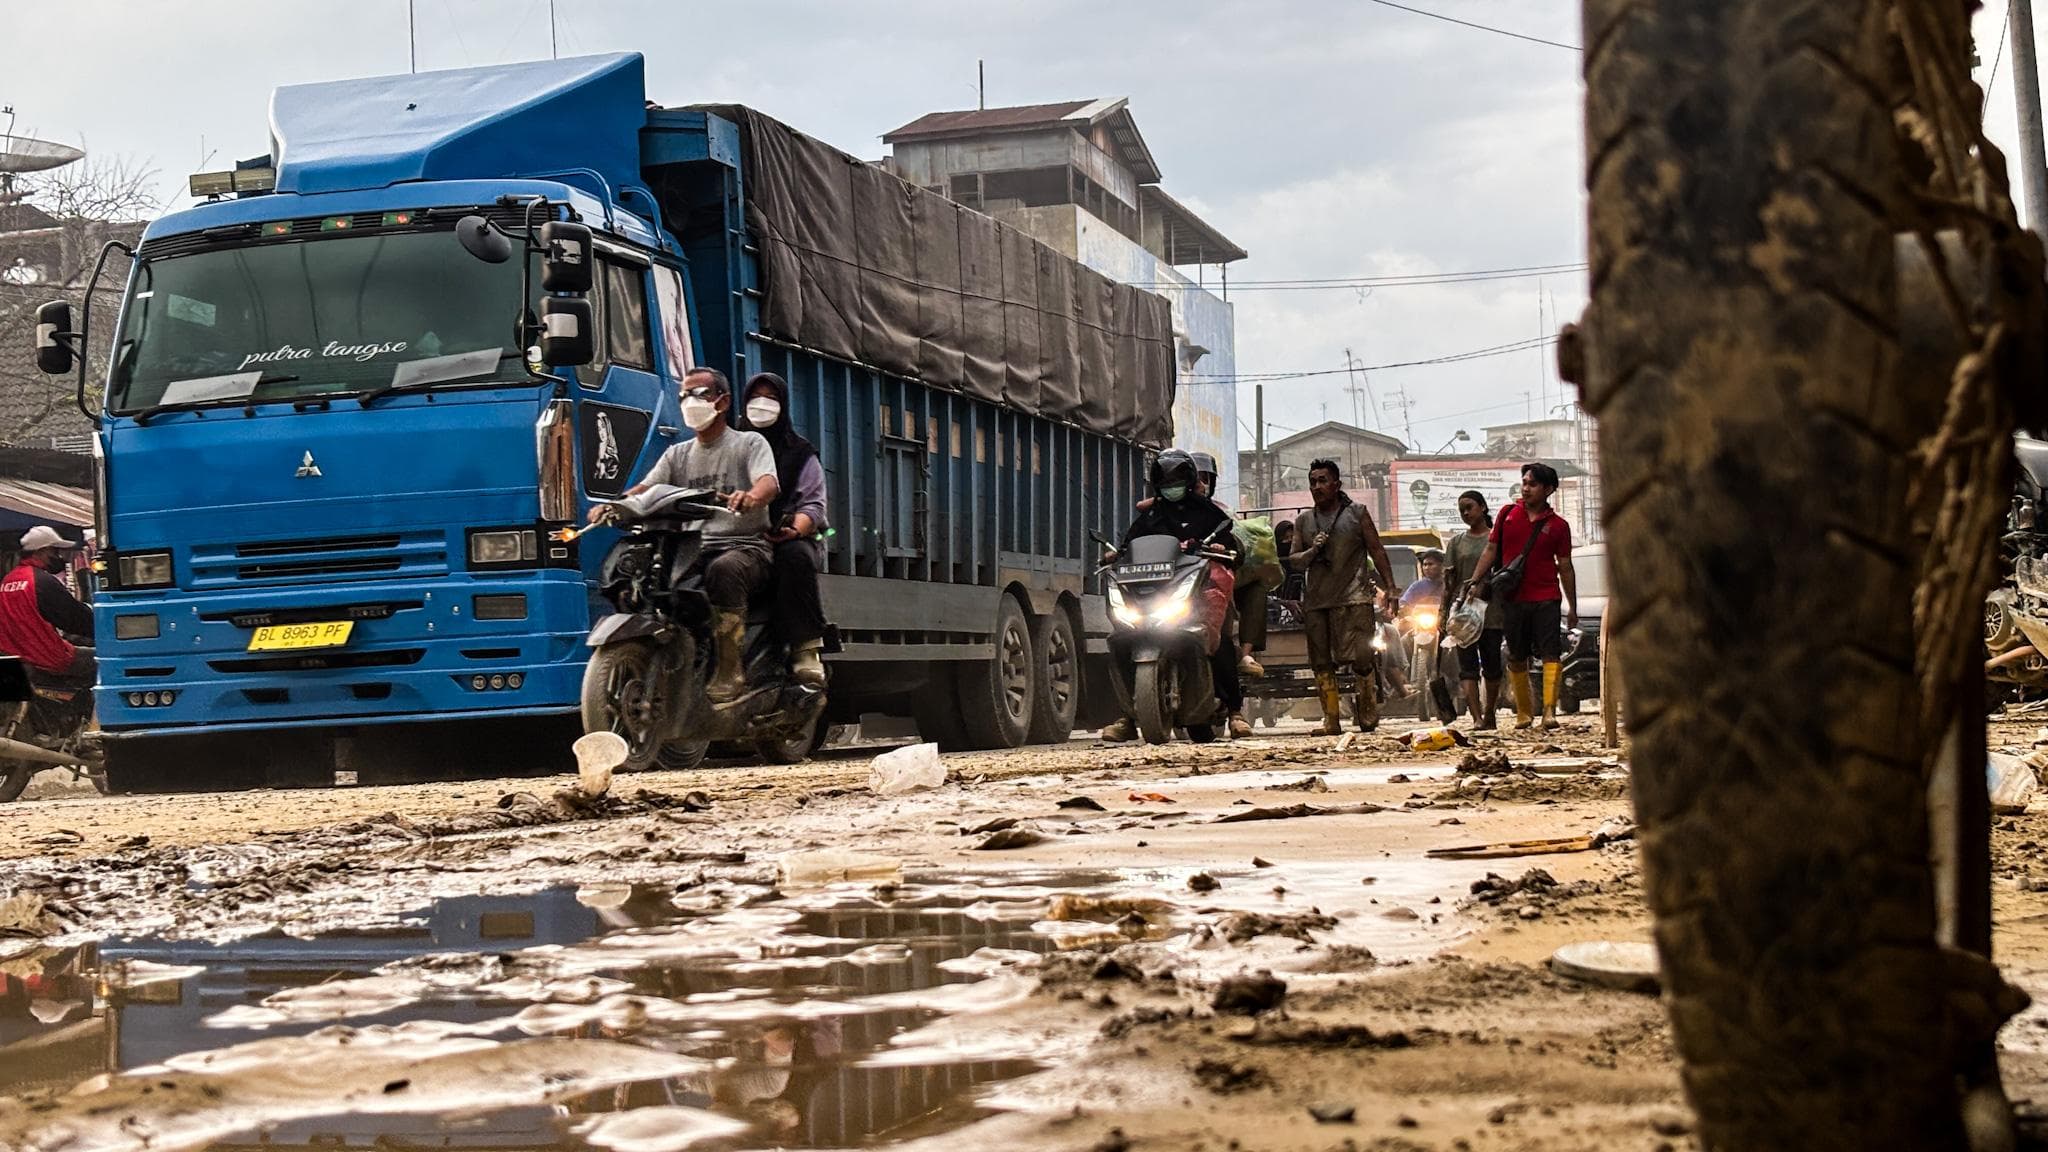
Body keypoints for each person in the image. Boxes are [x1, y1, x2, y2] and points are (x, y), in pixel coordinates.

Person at [595, 367, 779, 704]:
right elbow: (646, 489)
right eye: (684, 395)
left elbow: (768, 482)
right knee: (639, 576)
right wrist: (615, 505)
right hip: (690, 548)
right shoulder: (677, 454)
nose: (689, 402)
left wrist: (751, 496)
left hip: (744, 547)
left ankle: (730, 669)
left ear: (721, 402)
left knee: (724, 570)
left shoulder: (748, 443)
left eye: (699, 394)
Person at [1100, 450, 1242, 742]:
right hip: (1153, 593)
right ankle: (1128, 716)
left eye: (1176, 481)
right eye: (1165, 482)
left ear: (1189, 481)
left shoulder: (1207, 512)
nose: (1171, 486)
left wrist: (1222, 550)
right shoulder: (1151, 514)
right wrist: (1116, 555)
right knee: (1121, 640)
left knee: (1218, 642)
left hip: (1196, 593)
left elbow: (1231, 544)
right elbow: (1129, 546)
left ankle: (1234, 711)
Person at [1462, 462, 1577, 730]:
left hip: (1547, 596)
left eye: (1533, 484)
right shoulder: (1507, 514)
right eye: (1524, 483)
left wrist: (1572, 606)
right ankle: (1524, 713)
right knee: (1516, 655)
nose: (1526, 489)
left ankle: (1549, 712)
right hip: (1513, 597)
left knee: (1551, 654)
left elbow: (1566, 566)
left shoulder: (1558, 526)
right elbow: (1491, 550)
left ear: (1548, 490)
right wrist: (1475, 580)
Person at [734, 372, 828, 688]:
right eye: (755, 398)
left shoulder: (800, 453)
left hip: (781, 536)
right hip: (733, 536)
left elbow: (813, 506)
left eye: (770, 399)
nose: (761, 405)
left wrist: (794, 529)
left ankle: (805, 650)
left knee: (795, 557)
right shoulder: (729, 445)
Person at [1289, 459, 1397, 735]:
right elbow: (1295, 561)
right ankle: (1331, 719)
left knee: (1362, 658)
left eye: (1323, 480)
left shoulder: (1357, 513)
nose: (1317, 487)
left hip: (1355, 597)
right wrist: (1313, 551)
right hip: (1317, 601)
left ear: (1336, 484)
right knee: (1321, 661)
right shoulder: (1304, 521)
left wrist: (1391, 588)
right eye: (1313, 482)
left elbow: (1377, 551)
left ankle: (1367, 709)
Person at [1443, 490, 1506, 728]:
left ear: (1482, 507)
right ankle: (1477, 717)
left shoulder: (1496, 540)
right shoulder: (1456, 543)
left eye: (1469, 507)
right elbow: (1449, 582)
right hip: (1462, 614)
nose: (1466, 513)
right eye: (1461, 510)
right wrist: (1444, 612)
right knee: (1467, 667)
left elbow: (1504, 573)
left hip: (1491, 612)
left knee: (1492, 665)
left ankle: (1490, 712)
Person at [0, 527, 95, 681]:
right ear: (41, 551)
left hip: (15, 655)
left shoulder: (9, 579)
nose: (58, 557)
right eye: (55, 552)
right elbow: (74, 618)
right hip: (44, 657)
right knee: (103, 661)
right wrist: (100, 628)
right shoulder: (40, 581)